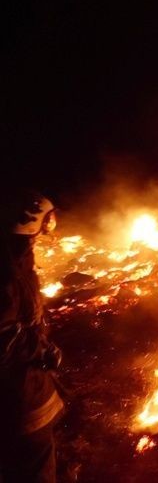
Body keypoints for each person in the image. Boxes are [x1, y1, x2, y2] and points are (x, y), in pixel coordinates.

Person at [1, 191, 64, 483]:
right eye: (48, 220)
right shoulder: (8, 273)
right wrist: (37, 350)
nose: (50, 228)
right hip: (18, 394)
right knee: (34, 464)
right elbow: (6, 340)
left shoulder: (18, 258)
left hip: (23, 386)